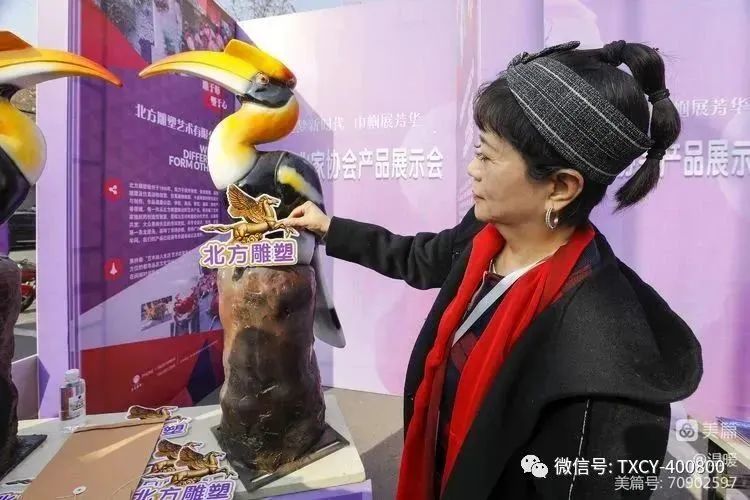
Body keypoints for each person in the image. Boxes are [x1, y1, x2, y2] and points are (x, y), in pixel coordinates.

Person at [282, 41, 703, 499]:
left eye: (486, 155)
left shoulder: (603, 353)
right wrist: (329, 228)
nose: (472, 169)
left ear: (561, 187)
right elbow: (421, 258)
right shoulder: (486, 237)